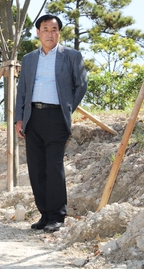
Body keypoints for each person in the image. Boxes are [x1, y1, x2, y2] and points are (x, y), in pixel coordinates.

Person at [14, 14, 87, 233]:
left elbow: (81, 85)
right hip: (33, 117)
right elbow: (22, 91)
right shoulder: (28, 59)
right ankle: (44, 214)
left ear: (59, 33)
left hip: (57, 117)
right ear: (38, 32)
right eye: (45, 29)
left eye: (54, 29)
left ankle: (57, 215)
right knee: (37, 168)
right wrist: (19, 117)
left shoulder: (71, 56)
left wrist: (66, 108)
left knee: (54, 167)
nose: (50, 33)